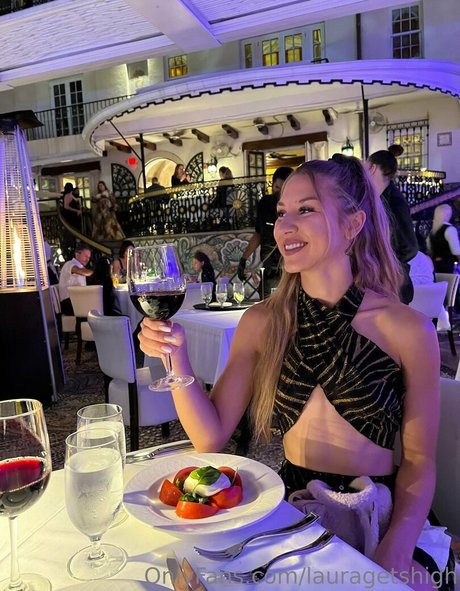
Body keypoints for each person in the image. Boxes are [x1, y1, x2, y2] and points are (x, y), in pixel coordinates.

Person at [139, 156, 451, 591]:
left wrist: (396, 548)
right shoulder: (262, 322)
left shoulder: (408, 329)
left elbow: (419, 460)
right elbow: (210, 437)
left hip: (379, 513)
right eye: (282, 212)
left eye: (306, 209)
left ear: (353, 224)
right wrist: (176, 357)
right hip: (292, 511)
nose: (285, 226)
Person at [367, 149, 418, 304]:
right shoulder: (380, 199)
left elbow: (410, 247)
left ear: (372, 168)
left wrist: (385, 263)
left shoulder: (394, 201)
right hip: (384, 284)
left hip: (393, 285)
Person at [237, 166, 293, 298]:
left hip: (290, 270)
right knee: (266, 305)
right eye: (277, 188)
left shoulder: (295, 206)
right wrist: (243, 259)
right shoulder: (265, 204)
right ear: (272, 186)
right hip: (269, 270)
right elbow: (258, 233)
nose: (279, 193)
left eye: (284, 188)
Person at [58, 243, 93, 315]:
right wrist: (98, 272)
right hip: (68, 303)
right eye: (85, 256)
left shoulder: (81, 267)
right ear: (77, 254)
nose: (87, 259)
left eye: (89, 257)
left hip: (76, 301)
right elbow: (80, 271)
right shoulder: (70, 264)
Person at [427, 204, 460, 273]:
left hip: (434, 266)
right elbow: (456, 251)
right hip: (448, 267)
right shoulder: (450, 229)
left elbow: (429, 249)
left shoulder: (432, 231)